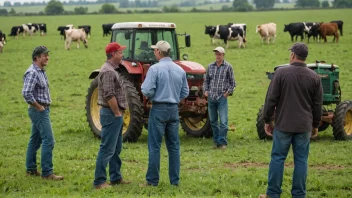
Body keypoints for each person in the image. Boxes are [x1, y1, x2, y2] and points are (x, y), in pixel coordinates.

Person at [259, 42, 323, 198]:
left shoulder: (281, 73)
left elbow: (271, 100)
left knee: (278, 158)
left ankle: (273, 194)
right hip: (304, 126)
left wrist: (267, 120)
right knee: (301, 160)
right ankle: (299, 195)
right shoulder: (315, 77)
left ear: (293, 55)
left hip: (283, 125)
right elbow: (317, 105)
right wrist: (315, 125)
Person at [141, 40, 189, 186]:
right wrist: (174, 97)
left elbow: (146, 90)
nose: (154, 52)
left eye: (155, 50)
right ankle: (175, 181)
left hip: (159, 109)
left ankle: (152, 181)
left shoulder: (155, 69)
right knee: (174, 146)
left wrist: (153, 95)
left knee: (155, 146)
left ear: (158, 52)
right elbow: (185, 91)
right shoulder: (180, 70)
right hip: (174, 109)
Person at [93, 42, 131, 189]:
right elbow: (109, 95)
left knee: (116, 148)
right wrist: (116, 112)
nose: (122, 55)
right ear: (113, 54)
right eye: (120, 52)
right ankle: (99, 181)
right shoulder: (108, 71)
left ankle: (115, 177)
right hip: (111, 114)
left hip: (114, 114)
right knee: (107, 148)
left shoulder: (113, 69)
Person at [22, 46, 64, 180]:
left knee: (35, 140)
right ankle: (47, 173)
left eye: (47, 55)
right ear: (36, 58)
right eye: (44, 55)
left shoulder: (40, 71)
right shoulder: (33, 72)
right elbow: (26, 93)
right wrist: (39, 107)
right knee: (49, 140)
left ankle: (31, 169)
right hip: (39, 111)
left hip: (41, 109)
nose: (47, 58)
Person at [203, 46, 236, 149]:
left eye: (219, 54)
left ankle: (223, 142)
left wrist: (227, 93)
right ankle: (216, 141)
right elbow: (206, 80)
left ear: (223, 55)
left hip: (222, 97)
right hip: (211, 97)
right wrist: (206, 91)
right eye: (216, 54)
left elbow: (233, 83)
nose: (217, 56)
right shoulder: (210, 66)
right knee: (213, 121)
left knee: (223, 121)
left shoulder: (228, 67)